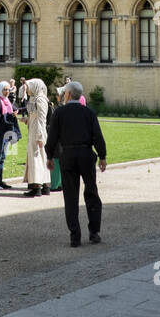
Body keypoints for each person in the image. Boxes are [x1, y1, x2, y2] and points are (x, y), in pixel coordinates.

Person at [45, 81, 107, 246]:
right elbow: (97, 136)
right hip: (86, 154)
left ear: (68, 94)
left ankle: (75, 236)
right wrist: (102, 156)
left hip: (68, 155)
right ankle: (94, 232)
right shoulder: (88, 112)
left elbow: (52, 137)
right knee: (91, 193)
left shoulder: (60, 113)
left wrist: (49, 156)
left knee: (70, 197)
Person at [20, 77, 51, 196]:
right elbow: (35, 117)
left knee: (37, 159)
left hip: (38, 133)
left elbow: (42, 120)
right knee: (38, 158)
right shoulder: (34, 99)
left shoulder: (41, 100)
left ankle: (37, 187)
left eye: (28, 87)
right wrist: (27, 120)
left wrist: (39, 136)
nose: (26, 89)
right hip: (34, 131)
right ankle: (42, 186)